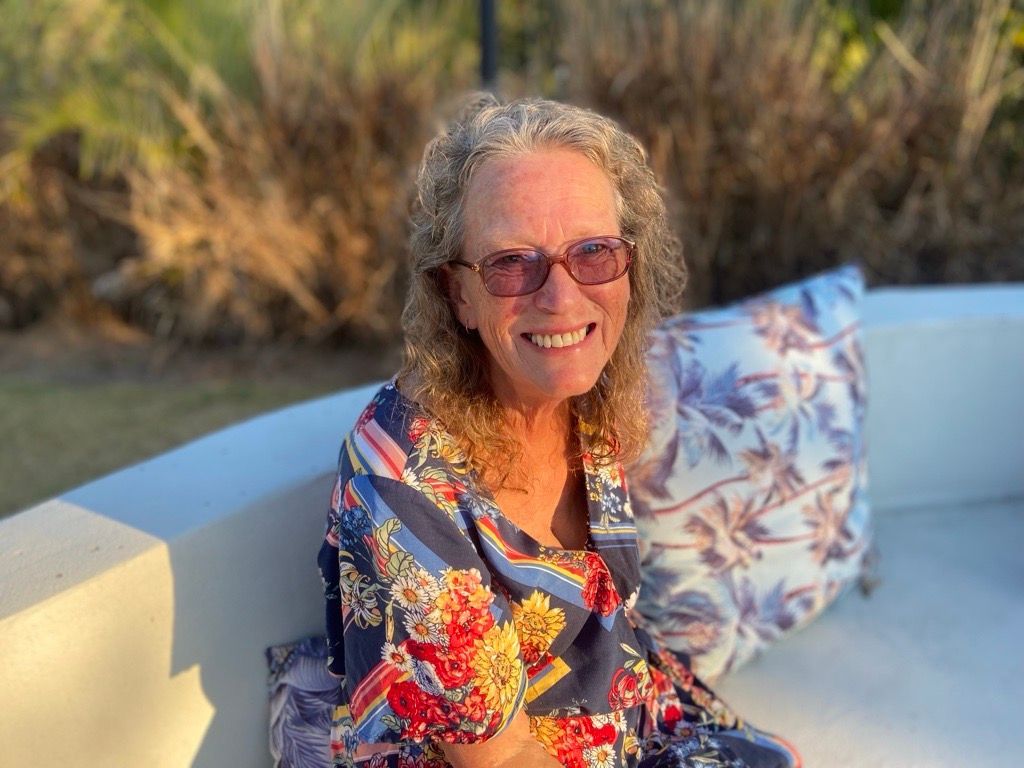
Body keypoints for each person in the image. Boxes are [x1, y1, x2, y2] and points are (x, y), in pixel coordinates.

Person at [318, 95, 801, 768]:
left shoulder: (587, 395)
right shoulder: (398, 481)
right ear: (458, 294)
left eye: (594, 252)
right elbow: (502, 756)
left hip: (622, 718)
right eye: (513, 262)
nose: (562, 297)